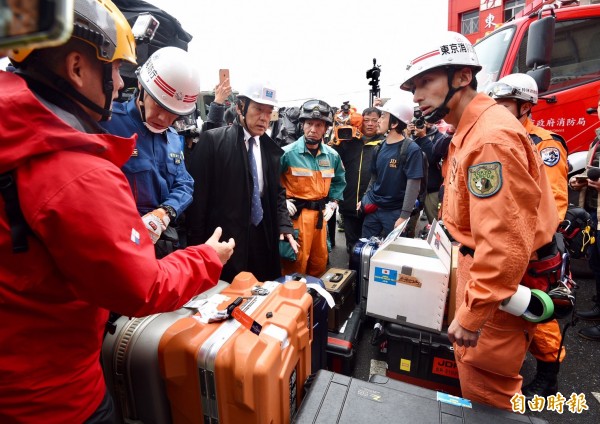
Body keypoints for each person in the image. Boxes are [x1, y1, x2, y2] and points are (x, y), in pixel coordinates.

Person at [0, 1, 234, 422]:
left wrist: (164, 212)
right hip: (54, 393)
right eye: (113, 71)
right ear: (76, 67)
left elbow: (184, 183)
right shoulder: (91, 141)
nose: (118, 83)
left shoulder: (22, 128)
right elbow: (138, 288)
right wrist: (206, 259)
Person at [400, 31, 558, 410]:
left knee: (490, 396)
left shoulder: (489, 139)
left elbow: (504, 246)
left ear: (462, 76)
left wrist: (472, 315)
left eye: (425, 82)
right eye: (413, 87)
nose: (417, 96)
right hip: (480, 278)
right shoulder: (468, 133)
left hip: (494, 293)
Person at [488, 73, 569, 400]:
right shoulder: (499, 141)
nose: (498, 111)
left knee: (537, 309)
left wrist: (527, 246)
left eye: (504, 104)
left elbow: (554, 203)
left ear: (525, 106)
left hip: (532, 249)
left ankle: (549, 375)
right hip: (502, 242)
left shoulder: (544, 146)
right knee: (505, 305)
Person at [186, 80, 296, 283]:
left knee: (262, 294)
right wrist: (197, 247)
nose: (264, 118)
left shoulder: (270, 149)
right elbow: (198, 199)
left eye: (269, 111)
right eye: (258, 109)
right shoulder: (214, 141)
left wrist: (283, 225)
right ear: (240, 107)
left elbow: (277, 192)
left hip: (262, 237)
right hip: (226, 239)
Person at [101, 46, 198, 258]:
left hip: (163, 243)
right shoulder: (107, 123)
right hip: (120, 245)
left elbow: (185, 183)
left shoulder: (173, 138)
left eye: (173, 114)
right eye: (159, 105)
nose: (163, 119)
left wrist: (164, 213)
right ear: (141, 87)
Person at [280, 99, 346, 277]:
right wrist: (282, 202)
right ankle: (294, 301)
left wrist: (333, 203)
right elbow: (270, 183)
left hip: (320, 218)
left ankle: (313, 301)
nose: (313, 129)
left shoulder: (332, 156)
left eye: (319, 125)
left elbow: (339, 181)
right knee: (295, 263)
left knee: (319, 262)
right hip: (296, 218)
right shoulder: (286, 154)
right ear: (302, 125)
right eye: (309, 123)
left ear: (326, 129)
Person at [359, 96, 424, 239]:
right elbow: (374, 177)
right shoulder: (379, 147)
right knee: (365, 249)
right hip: (374, 209)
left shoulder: (411, 149)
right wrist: (365, 199)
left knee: (391, 255)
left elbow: (413, 185)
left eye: (383, 117)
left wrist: (404, 216)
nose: (379, 121)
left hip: (395, 213)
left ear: (394, 123)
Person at [570, 92, 600, 341]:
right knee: (595, 260)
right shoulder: (595, 142)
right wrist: (580, 182)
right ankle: (599, 307)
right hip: (593, 210)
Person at [334, 106, 384, 252]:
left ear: (380, 122)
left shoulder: (384, 143)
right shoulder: (349, 140)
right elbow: (333, 158)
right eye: (366, 120)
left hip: (372, 205)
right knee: (351, 244)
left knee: (370, 246)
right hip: (349, 202)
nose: (370, 124)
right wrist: (336, 136)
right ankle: (353, 269)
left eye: (374, 120)